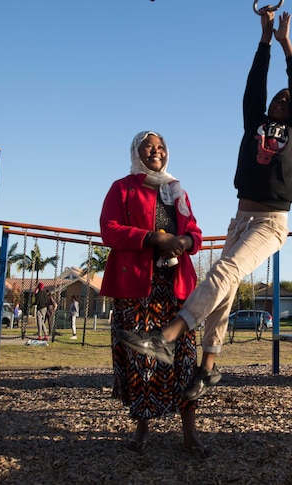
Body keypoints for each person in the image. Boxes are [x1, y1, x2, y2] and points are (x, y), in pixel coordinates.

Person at [118, 8, 292, 402]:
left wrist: (287, 44)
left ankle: (169, 335)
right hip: (241, 218)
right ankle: (208, 367)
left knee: (225, 269)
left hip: (271, 222)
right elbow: (255, 85)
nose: (282, 98)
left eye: (288, 99)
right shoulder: (253, 124)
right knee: (226, 287)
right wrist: (264, 39)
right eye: (279, 96)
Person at [99, 130, 206, 457]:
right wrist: (154, 238)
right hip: (137, 289)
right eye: (148, 147)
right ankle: (142, 428)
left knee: (184, 359)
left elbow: (194, 234)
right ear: (136, 152)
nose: (155, 152)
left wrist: (184, 242)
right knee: (142, 359)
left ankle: (190, 434)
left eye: (160, 147)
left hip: (175, 287)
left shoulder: (177, 189)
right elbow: (109, 229)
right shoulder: (123, 188)